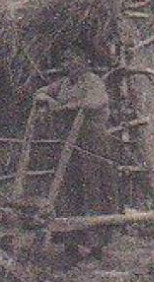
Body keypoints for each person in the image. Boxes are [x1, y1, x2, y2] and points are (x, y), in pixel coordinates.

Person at [33, 44, 119, 213]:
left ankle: (100, 226)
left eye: (72, 59)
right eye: (65, 60)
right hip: (69, 138)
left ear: (83, 61)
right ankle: (73, 228)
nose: (68, 64)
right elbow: (40, 93)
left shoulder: (92, 81)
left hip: (92, 138)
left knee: (94, 179)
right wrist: (47, 100)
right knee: (70, 179)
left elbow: (96, 101)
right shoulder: (63, 84)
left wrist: (66, 106)